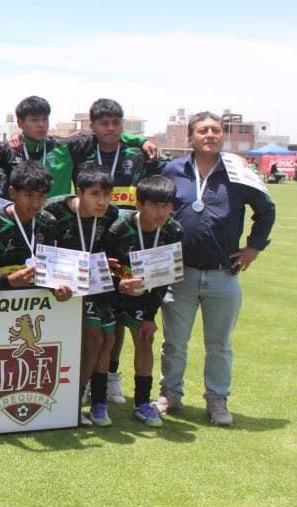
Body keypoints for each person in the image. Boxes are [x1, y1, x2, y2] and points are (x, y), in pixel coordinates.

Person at [157, 112, 276, 426]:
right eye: (203, 130)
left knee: (219, 344)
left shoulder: (237, 170)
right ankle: (170, 394)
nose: (210, 135)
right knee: (174, 342)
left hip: (223, 273)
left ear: (221, 136)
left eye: (215, 130)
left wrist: (254, 246)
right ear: (190, 137)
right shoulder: (172, 170)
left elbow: (266, 208)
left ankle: (217, 400)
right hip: (179, 272)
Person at [76, 98, 166, 406]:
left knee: (122, 318)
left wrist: (142, 139)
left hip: (133, 243)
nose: (111, 129)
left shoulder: (136, 154)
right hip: (95, 239)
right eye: (104, 123)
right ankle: (87, 382)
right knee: (98, 321)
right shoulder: (84, 152)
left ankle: (112, 376)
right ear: (93, 128)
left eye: (116, 123)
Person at [103, 175, 184, 427]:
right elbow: (105, 267)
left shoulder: (174, 230)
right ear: (140, 205)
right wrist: (119, 285)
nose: (162, 212)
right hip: (114, 295)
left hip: (143, 297)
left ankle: (141, 403)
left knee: (144, 339)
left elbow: (165, 277)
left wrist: (150, 316)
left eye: (167, 206)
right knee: (107, 339)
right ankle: (99, 392)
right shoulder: (118, 228)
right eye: (155, 205)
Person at [0, 95, 153, 201]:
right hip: (21, 221)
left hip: (58, 223)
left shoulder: (65, 147)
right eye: (34, 120)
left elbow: (105, 133)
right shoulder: (10, 150)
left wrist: (140, 141)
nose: (41, 125)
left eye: (45, 119)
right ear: (20, 123)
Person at [45, 166, 119, 426]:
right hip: (62, 288)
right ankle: (73, 400)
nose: (102, 202)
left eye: (107, 195)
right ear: (79, 192)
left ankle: (94, 398)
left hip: (97, 284)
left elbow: (111, 249)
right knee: (91, 339)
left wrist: (112, 263)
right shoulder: (54, 211)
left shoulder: (111, 215)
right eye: (95, 194)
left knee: (106, 339)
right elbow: (42, 250)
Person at [0, 161, 64, 293]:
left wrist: (58, 289)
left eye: (41, 196)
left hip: (41, 305)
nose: (35, 203)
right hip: (4, 304)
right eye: (29, 195)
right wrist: (8, 281)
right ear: (13, 192)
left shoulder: (48, 222)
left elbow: (54, 268)